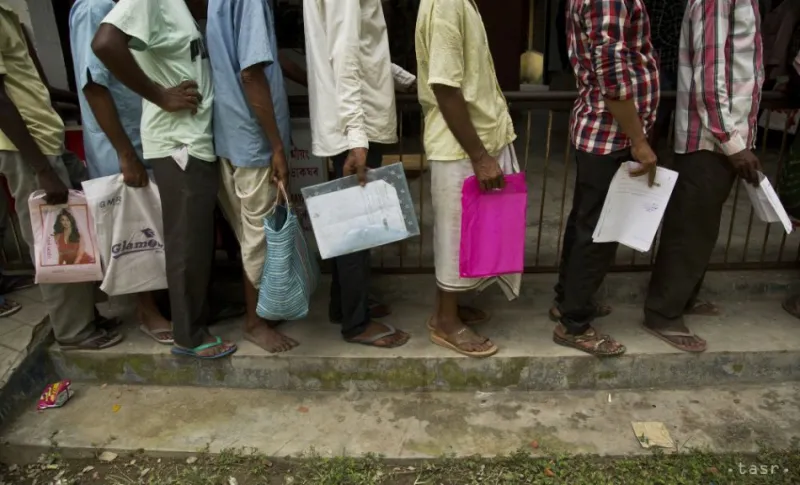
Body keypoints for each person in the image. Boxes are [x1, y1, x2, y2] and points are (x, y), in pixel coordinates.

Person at [92, 0, 236, 359]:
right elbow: (105, 43)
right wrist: (160, 96)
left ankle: (194, 324)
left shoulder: (177, 6)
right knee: (187, 242)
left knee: (196, 241)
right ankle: (189, 337)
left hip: (194, 140)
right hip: (177, 143)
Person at [0, 1, 122, 349]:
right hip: (26, 147)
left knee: (79, 236)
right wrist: (41, 169)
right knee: (55, 245)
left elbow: (34, 86)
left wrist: (80, 98)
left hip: (46, 136)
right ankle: (73, 331)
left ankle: (86, 316)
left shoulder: (8, 15)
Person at [644, 0, 764, 352]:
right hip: (709, 139)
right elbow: (709, 80)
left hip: (721, 138)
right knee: (690, 228)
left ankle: (683, 297)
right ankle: (662, 312)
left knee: (703, 225)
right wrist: (732, 142)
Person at [414, 0, 519, 358]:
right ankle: (446, 321)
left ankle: (450, 306)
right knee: (456, 240)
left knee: (472, 236)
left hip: (477, 140)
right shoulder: (446, 3)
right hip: (462, 147)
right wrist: (480, 156)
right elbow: (445, 87)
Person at [68, 0, 176, 345]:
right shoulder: (94, 9)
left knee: (155, 224)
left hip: (143, 134)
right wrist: (124, 153)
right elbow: (93, 85)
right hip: (121, 142)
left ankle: (160, 300)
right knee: (134, 230)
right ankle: (146, 310)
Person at [302, 0, 409, 348]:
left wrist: (407, 80)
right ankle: (356, 322)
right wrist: (357, 139)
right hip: (355, 128)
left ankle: (344, 306)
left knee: (349, 226)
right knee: (356, 232)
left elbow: (362, 52)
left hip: (349, 125)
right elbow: (345, 57)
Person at [556, 0, 660, 357]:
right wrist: (640, 139)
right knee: (598, 232)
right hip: (610, 133)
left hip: (603, 130)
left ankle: (568, 300)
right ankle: (574, 323)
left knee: (587, 223)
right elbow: (613, 76)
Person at [205, 0, 297, 353]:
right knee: (259, 237)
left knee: (249, 234)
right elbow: (251, 73)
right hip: (253, 141)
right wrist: (276, 146)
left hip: (230, 135)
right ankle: (255, 321)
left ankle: (261, 313)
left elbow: (262, 61)